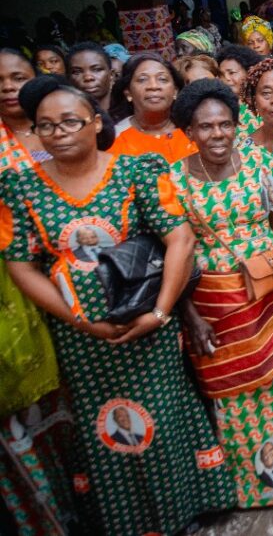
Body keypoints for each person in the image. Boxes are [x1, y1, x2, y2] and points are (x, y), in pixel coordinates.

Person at [0, 77, 235, 534]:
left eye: (70, 120)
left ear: (95, 122)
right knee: (101, 429)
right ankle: (125, 520)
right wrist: (79, 321)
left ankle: (180, 512)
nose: (60, 132)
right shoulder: (21, 186)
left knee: (163, 418)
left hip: (150, 324)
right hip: (80, 339)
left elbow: (180, 239)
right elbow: (21, 265)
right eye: (46, 126)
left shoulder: (135, 171)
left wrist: (161, 313)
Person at [169, 79, 273, 507]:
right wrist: (189, 316)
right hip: (212, 302)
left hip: (270, 295)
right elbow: (174, 254)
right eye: (206, 127)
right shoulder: (175, 181)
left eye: (226, 125)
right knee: (230, 394)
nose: (218, 134)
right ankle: (251, 490)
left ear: (237, 125)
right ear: (189, 132)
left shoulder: (260, 163)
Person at [0, 52, 76, 536]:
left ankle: (83, 501)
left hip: (79, 291)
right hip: (15, 289)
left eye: (18, 78)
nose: (8, 88)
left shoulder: (68, 132)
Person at [108, 52, 195, 163]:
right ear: (128, 93)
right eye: (142, 79)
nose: (153, 86)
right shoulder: (114, 138)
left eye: (162, 79)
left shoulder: (193, 131)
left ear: (175, 91)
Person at [66, 41, 114, 112]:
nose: (88, 78)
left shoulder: (131, 110)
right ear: (68, 78)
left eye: (97, 69)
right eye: (77, 72)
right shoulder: (67, 117)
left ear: (111, 75)